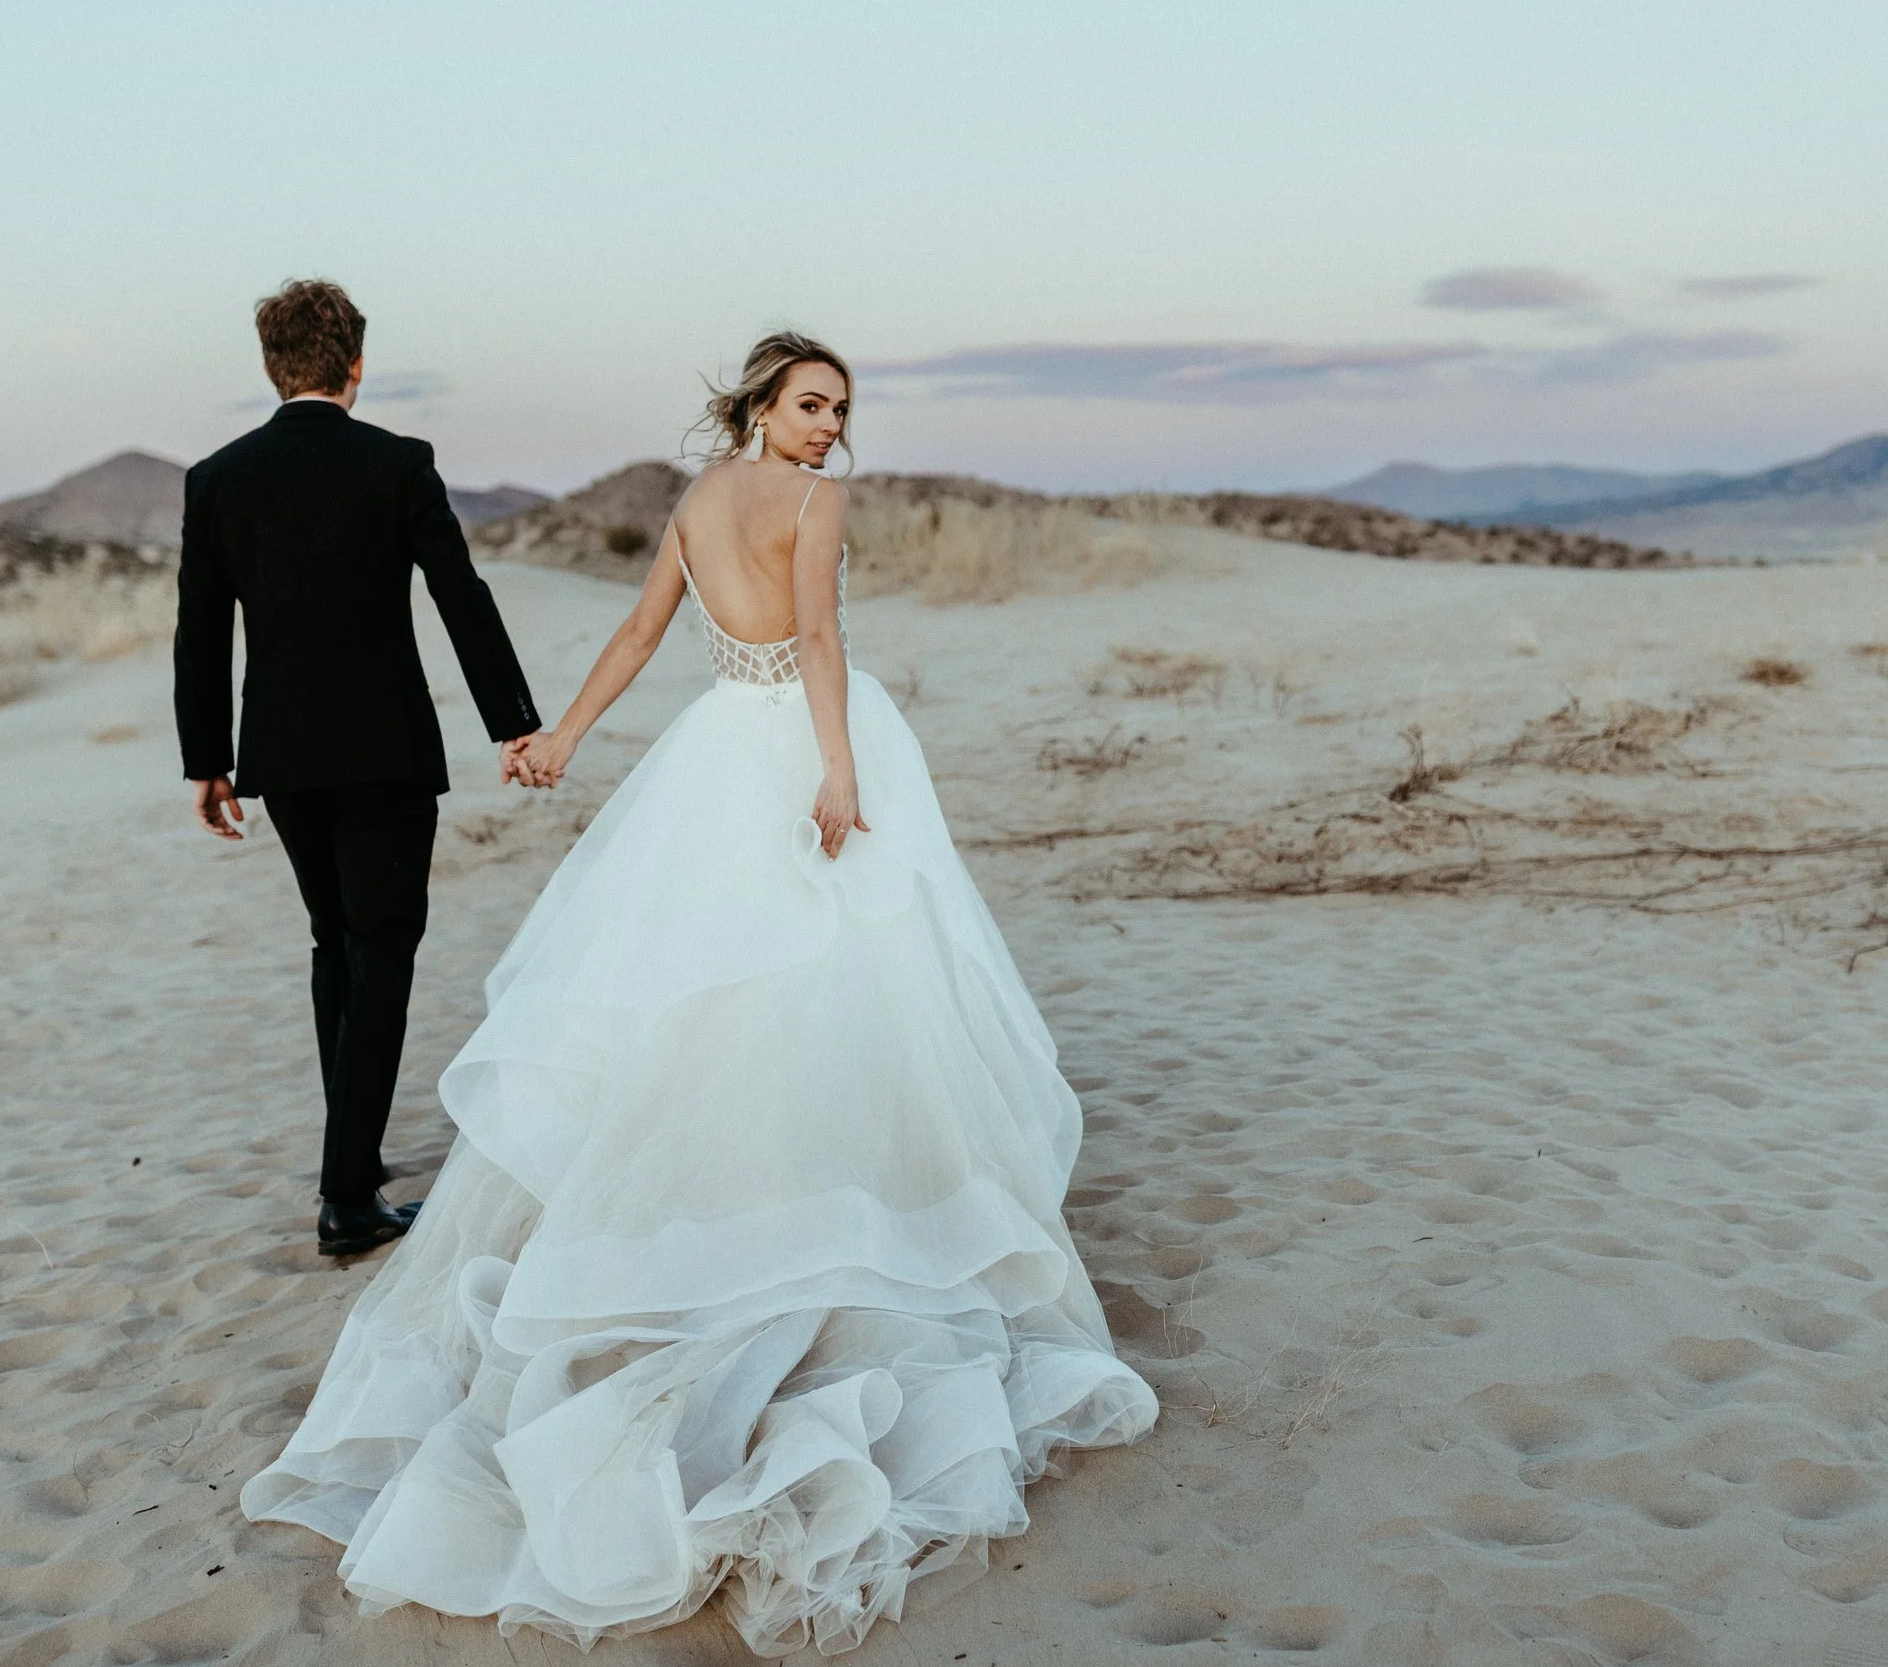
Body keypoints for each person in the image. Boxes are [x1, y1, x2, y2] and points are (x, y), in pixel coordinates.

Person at [239, 332, 1156, 1656]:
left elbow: (639, 631)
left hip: (710, 748)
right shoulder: (814, 502)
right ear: (760, 407)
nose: (831, 427)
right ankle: (804, 1204)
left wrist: (565, 736)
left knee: (721, 990)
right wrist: (838, 774)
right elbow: (822, 636)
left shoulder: (696, 500)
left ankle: (755, 1188)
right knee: (831, 981)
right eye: (810, 403)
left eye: (841, 409)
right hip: (789, 746)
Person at [174, 279, 542, 1258]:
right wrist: (512, 720)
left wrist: (205, 760)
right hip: (384, 749)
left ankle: (356, 1155)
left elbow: (200, 632)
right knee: (381, 949)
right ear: (357, 365)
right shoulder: (397, 464)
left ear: (270, 366)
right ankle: (346, 1196)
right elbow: (460, 593)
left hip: (282, 756)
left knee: (333, 942)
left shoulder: (218, 478)